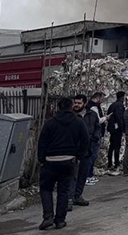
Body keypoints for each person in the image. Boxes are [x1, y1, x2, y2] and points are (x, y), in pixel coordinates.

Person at [37, 97, 88, 230]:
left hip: (50, 161)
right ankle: (60, 220)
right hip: (68, 161)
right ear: (71, 107)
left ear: (58, 108)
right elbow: (85, 141)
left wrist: (42, 159)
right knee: (63, 191)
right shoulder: (78, 122)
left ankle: (48, 216)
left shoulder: (50, 123)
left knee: (46, 189)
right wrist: (78, 155)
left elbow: (42, 142)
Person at [71, 94, 96, 206]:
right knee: (72, 176)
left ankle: (78, 196)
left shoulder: (92, 115)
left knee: (83, 174)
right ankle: (69, 198)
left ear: (84, 103)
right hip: (74, 150)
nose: (76, 105)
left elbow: (97, 128)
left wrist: (95, 137)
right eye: (75, 103)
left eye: (79, 103)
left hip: (87, 149)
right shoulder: (71, 116)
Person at [85, 92, 110, 183]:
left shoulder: (94, 106)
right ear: (97, 98)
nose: (103, 100)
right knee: (92, 156)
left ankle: (89, 175)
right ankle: (88, 175)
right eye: (102, 98)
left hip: (96, 134)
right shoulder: (93, 108)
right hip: (94, 135)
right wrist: (105, 118)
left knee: (93, 156)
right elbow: (98, 120)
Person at [106, 91, 126, 174]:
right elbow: (119, 118)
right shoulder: (120, 105)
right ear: (122, 97)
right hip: (117, 129)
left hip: (111, 128)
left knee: (111, 146)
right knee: (117, 146)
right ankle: (116, 164)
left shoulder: (112, 105)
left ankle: (110, 163)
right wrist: (122, 129)